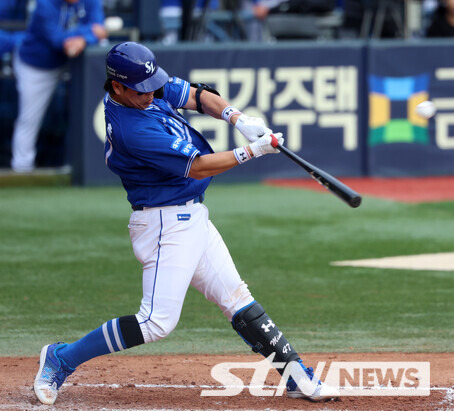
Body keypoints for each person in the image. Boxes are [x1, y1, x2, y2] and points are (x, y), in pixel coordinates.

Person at [32, 41, 340, 406]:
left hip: (192, 216)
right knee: (155, 322)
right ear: (117, 86)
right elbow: (197, 166)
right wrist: (251, 151)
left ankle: (295, 375)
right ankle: (60, 358)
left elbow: (198, 97)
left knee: (237, 297)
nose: (151, 94)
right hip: (164, 226)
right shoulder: (131, 128)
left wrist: (237, 118)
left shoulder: (142, 86)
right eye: (141, 90)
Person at [10, 0, 107, 173]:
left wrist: (84, 38)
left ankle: (79, 166)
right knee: (29, 118)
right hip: (37, 65)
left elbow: (99, 26)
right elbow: (59, 40)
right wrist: (89, 34)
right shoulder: (45, 4)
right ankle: (21, 169)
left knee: (85, 112)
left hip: (75, 62)